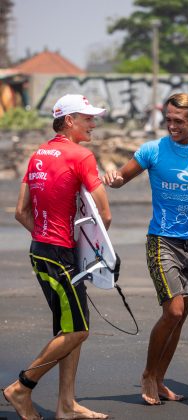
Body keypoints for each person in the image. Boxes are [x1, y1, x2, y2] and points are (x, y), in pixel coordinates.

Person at [103, 92, 188, 406]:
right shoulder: (153, 150)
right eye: (168, 119)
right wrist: (113, 177)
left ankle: (161, 378)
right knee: (173, 310)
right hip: (161, 241)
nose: (171, 126)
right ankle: (149, 374)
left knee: (181, 318)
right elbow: (121, 178)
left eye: (178, 121)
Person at [3, 94, 111, 419]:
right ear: (68, 121)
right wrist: (85, 252)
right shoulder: (81, 156)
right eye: (87, 117)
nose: (93, 123)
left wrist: (46, 237)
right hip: (61, 255)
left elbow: (22, 212)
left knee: (67, 329)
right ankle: (21, 388)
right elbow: (104, 216)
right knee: (79, 330)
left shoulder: (37, 156)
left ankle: (66, 404)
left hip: (41, 251)